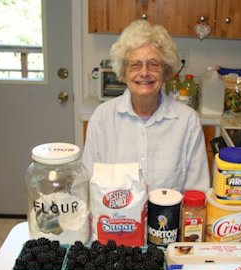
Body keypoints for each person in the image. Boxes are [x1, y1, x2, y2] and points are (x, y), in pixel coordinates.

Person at [82, 20, 210, 193]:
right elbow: (88, 184)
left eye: (153, 64)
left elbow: (196, 191)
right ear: (123, 71)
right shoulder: (102, 118)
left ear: (165, 71)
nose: (144, 73)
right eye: (135, 64)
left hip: (169, 219)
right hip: (115, 219)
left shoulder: (187, 121)